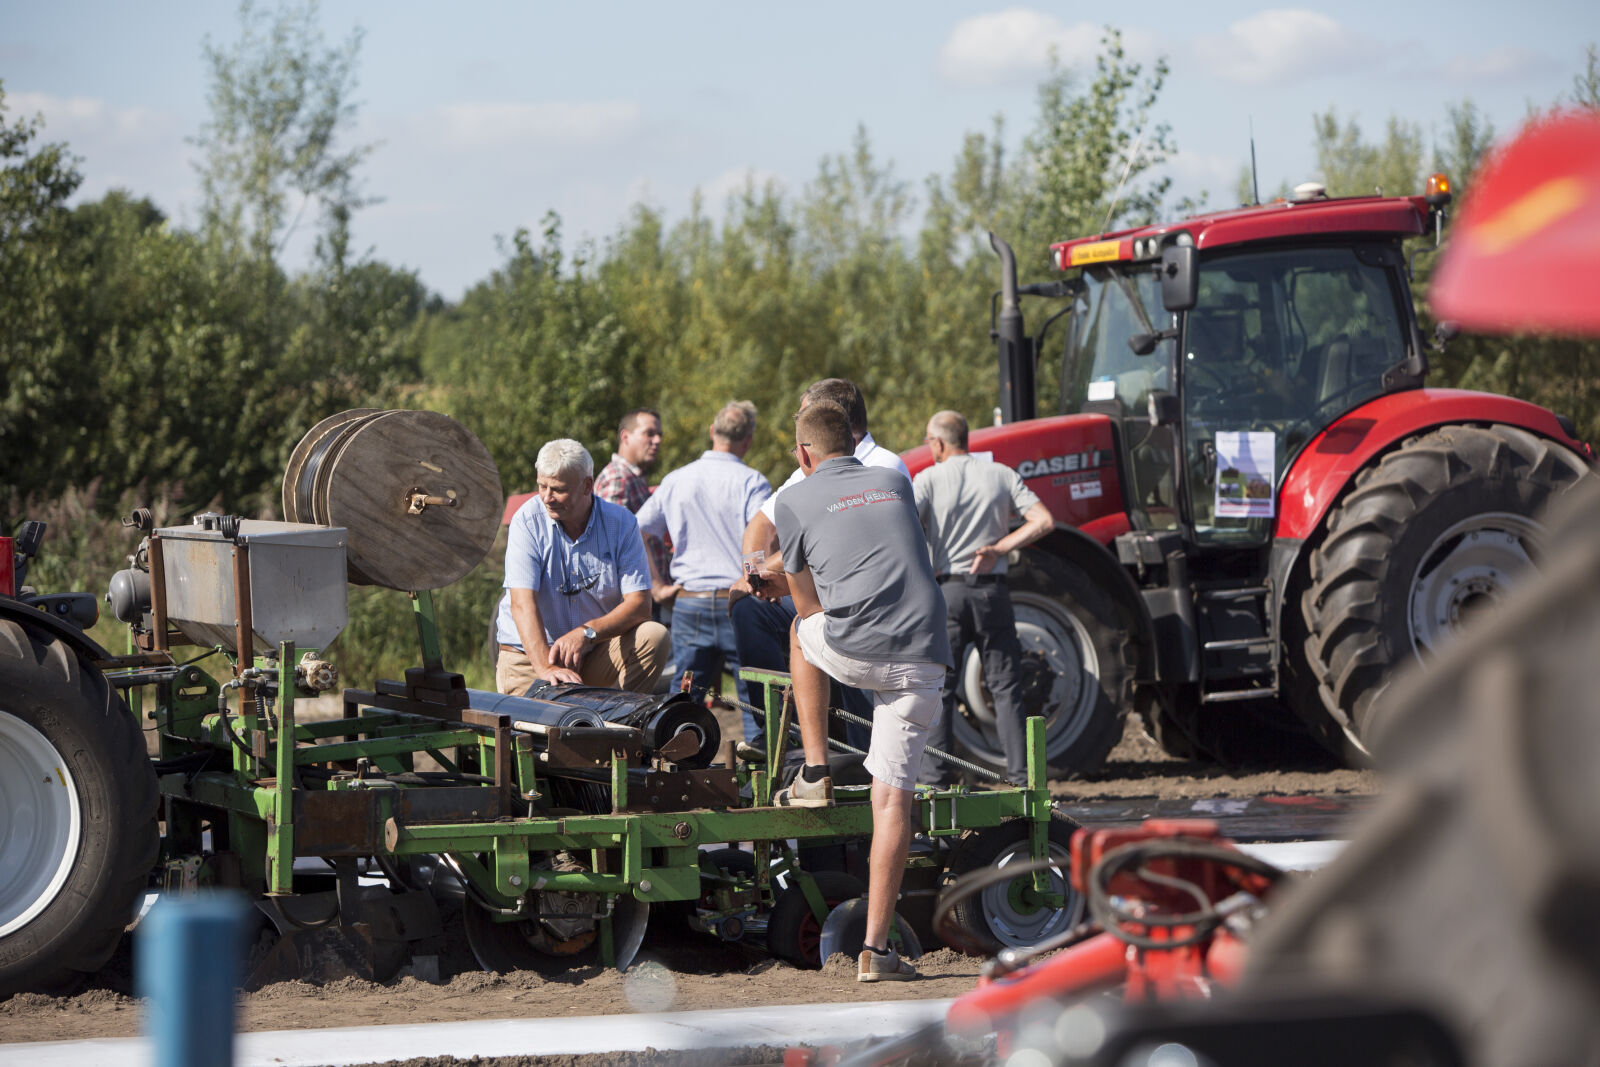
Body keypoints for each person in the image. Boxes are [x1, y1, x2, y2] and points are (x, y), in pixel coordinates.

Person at [770, 400, 951, 983]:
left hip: (857, 651)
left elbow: (807, 603)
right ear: (855, 439)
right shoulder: (895, 479)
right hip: (926, 655)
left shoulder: (792, 497)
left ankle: (816, 772)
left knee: (802, 631)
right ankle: (876, 951)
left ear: (803, 453)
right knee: (893, 802)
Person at [732, 378, 908, 745]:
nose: (796, 423)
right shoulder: (811, 465)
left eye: (802, 414)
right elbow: (761, 524)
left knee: (807, 624)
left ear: (830, 418)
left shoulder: (885, 466)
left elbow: (831, 538)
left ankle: (844, 754)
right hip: (823, 593)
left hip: (864, 603)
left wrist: (773, 571)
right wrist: (753, 575)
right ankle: (781, 730)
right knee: (749, 606)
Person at [913, 410, 1054, 786]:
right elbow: (1043, 520)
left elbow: (904, 525)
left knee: (940, 688)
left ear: (939, 443)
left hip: (949, 593)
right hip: (993, 591)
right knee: (1006, 687)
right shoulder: (1001, 474)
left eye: (930, 442)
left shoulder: (927, 479)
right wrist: (998, 547)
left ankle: (936, 780)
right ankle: (1023, 778)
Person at [493, 439, 670, 695]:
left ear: (587, 485)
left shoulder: (621, 523)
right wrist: (545, 667)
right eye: (541, 486)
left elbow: (640, 604)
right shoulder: (527, 520)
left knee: (654, 636)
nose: (546, 497)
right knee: (541, 731)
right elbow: (522, 603)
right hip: (528, 660)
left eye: (558, 489)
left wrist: (587, 633)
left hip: (591, 651)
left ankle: (621, 719)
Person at [636, 401, 772, 702]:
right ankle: (757, 746)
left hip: (689, 602)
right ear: (748, 440)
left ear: (712, 432)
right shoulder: (752, 482)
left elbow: (637, 531)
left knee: (683, 701)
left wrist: (657, 586)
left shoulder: (676, 480)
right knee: (755, 699)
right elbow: (763, 539)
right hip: (738, 600)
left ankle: (675, 747)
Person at [595, 408, 672, 592]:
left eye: (659, 434)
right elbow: (611, 545)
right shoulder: (618, 477)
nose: (657, 441)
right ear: (625, 437)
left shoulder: (632, 477)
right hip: (636, 597)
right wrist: (655, 588)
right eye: (649, 434)